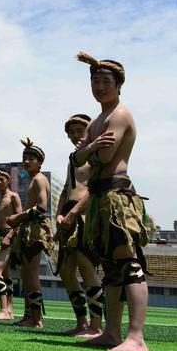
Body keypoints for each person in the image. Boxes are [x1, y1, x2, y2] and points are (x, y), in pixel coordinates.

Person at [69, 52, 149, 351]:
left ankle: (137, 337)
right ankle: (112, 333)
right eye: (95, 81)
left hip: (117, 196)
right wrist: (88, 149)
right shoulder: (98, 120)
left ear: (118, 85)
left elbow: (100, 158)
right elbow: (78, 162)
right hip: (100, 197)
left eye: (106, 81)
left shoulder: (118, 115)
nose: (100, 86)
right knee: (111, 269)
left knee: (128, 262)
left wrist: (87, 150)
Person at [55, 114, 103, 337]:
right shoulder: (73, 158)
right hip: (67, 216)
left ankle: (96, 325)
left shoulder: (96, 154)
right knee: (66, 271)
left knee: (86, 267)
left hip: (84, 214)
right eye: (71, 132)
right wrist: (58, 214)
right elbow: (66, 188)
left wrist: (75, 212)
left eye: (79, 131)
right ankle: (81, 322)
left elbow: (93, 187)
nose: (75, 135)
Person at [7, 138, 54, 328]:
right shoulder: (33, 179)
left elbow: (42, 207)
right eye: (24, 158)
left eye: (31, 158)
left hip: (35, 229)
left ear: (40, 162)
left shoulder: (40, 179)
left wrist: (19, 217)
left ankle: (35, 319)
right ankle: (28, 316)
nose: (26, 161)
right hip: (28, 228)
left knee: (32, 274)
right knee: (27, 274)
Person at [0, 167, 21, 321]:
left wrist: (10, 235)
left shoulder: (13, 196)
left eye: (1, 179)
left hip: (9, 236)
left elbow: (20, 219)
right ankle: (10, 310)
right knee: (6, 276)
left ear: (8, 180)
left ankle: (3, 309)